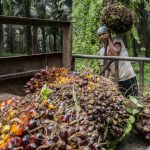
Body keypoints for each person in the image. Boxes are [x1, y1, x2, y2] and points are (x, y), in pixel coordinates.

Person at [97, 26, 138, 97]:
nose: (102, 36)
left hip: (127, 77)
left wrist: (109, 39)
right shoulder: (102, 51)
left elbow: (115, 54)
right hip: (116, 81)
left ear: (109, 34)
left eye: (104, 34)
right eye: (100, 35)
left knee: (133, 100)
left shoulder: (116, 40)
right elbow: (106, 69)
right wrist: (104, 81)